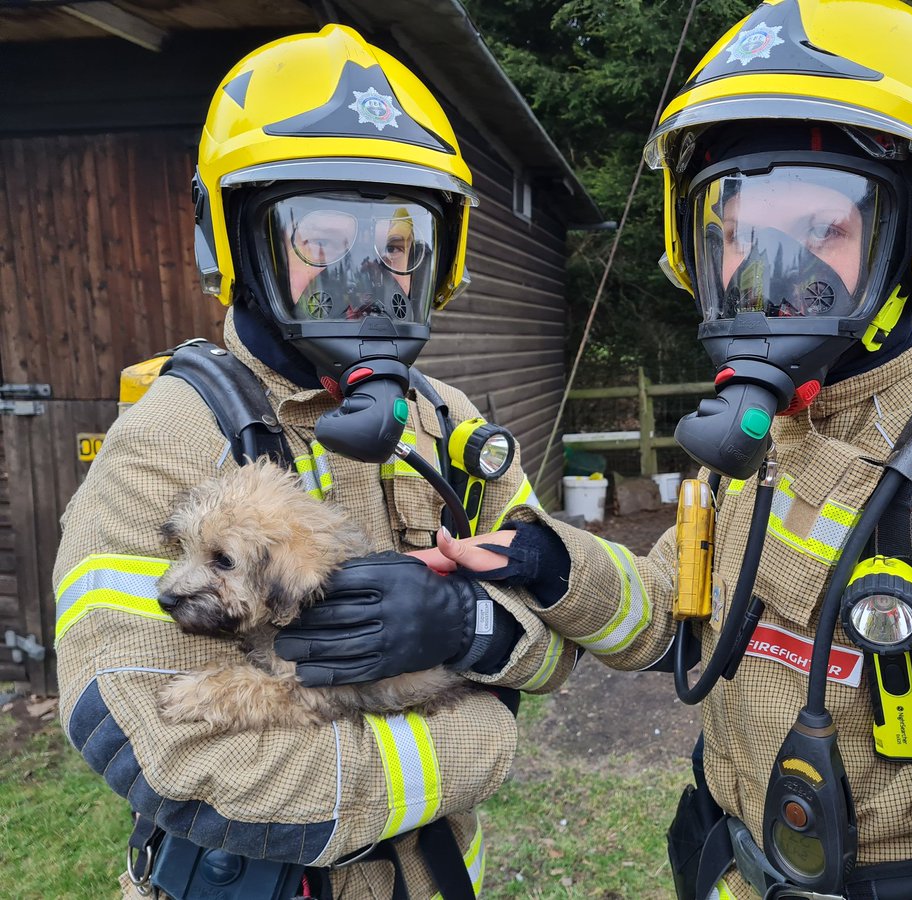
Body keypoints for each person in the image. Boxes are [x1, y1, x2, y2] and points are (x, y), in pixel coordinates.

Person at [280, 2, 912, 898]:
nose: (771, 280)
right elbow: (671, 610)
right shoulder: (776, 428)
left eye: (821, 232)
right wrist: (550, 563)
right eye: (738, 233)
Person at [52, 24, 574, 899]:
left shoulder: (448, 423)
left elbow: (559, 643)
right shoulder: (169, 437)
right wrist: (475, 743)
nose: (368, 275)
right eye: (322, 241)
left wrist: (467, 626)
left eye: (397, 244)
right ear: (238, 240)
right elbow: (152, 742)